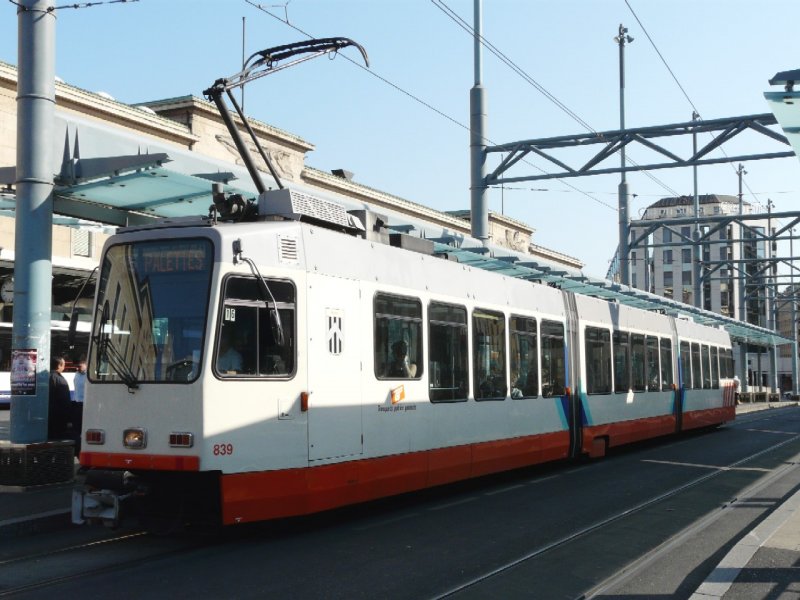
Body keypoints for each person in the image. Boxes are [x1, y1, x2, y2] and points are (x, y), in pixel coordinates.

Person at [48, 356, 72, 442]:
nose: (64, 367)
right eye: (63, 365)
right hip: (58, 418)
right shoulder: (60, 380)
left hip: (45, 418)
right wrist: (69, 420)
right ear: (59, 366)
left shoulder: (43, 377)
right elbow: (65, 402)